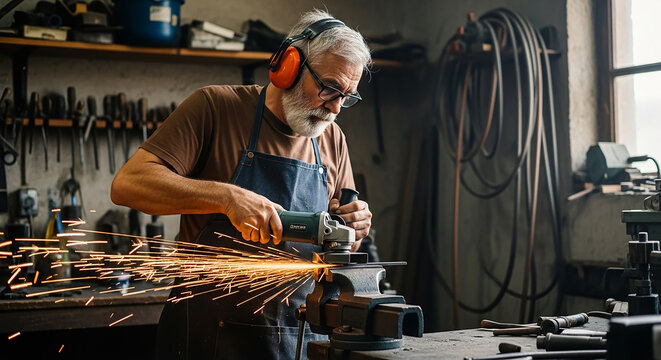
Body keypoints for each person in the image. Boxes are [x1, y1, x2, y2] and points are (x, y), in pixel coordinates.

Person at [110, 9, 372, 360]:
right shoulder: (215, 108)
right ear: (289, 66)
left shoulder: (332, 139)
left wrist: (355, 228)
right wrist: (225, 196)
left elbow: (340, 254)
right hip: (206, 341)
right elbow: (128, 184)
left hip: (295, 341)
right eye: (329, 88)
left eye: (347, 96)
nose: (336, 108)